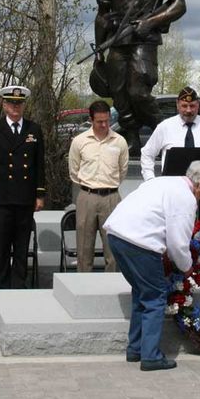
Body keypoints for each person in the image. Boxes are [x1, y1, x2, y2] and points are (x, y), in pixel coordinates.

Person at [104, 160, 200, 371]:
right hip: (139, 242)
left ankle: (136, 348)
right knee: (156, 296)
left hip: (116, 235)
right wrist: (187, 269)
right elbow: (177, 243)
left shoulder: (165, 182)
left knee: (142, 292)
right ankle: (150, 356)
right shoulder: (185, 198)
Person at [94, 0, 186, 155]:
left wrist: (151, 21)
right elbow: (103, 13)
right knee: (118, 92)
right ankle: (133, 137)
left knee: (138, 91)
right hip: (117, 40)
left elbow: (179, 4)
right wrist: (99, 49)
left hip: (143, 40)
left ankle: (166, 134)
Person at [0, 84, 45, 289]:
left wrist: (40, 194)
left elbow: (39, 164)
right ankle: (0, 283)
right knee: (2, 244)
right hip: (3, 196)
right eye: (11, 103)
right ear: (4, 104)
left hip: (25, 196)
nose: (16, 107)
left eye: (19, 104)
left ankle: (18, 284)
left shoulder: (33, 129)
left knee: (21, 244)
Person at [140, 86, 200, 226]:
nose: (188, 110)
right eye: (184, 106)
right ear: (177, 105)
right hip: (173, 190)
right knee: (175, 228)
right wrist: (151, 181)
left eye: (192, 106)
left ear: (198, 105)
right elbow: (147, 154)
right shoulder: (165, 127)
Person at [68, 100, 129, 272]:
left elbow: (122, 170)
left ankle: (110, 288)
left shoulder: (119, 142)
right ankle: (84, 287)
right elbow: (74, 170)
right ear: (91, 120)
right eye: (99, 121)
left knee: (113, 249)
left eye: (107, 121)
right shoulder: (80, 141)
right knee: (84, 248)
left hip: (111, 197)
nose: (104, 125)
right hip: (87, 196)